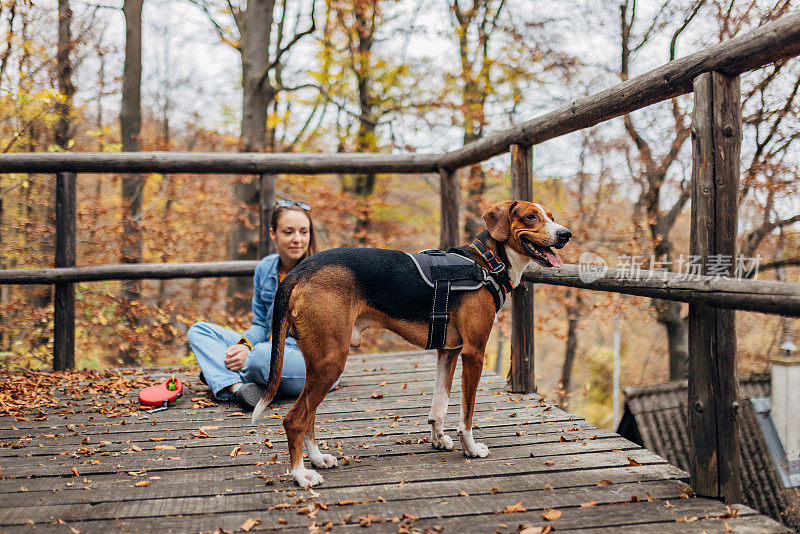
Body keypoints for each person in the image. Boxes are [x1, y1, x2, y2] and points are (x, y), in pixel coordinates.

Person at [187, 200, 336, 409]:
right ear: (273, 234)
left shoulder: (322, 274)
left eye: (304, 232)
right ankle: (238, 388)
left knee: (262, 357)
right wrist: (244, 345)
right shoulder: (265, 268)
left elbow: (313, 342)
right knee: (199, 331)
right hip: (266, 350)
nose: (297, 239)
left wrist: (252, 353)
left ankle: (223, 374)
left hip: (312, 364)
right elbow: (260, 325)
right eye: (288, 232)